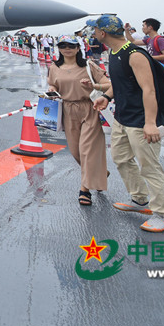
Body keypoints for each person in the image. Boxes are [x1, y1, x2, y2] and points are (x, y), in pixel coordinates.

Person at [87, 15, 164, 232]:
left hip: (141, 120)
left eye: (95, 30)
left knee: (149, 166)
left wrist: (151, 123)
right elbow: (119, 83)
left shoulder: (134, 55)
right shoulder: (114, 53)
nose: (93, 33)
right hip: (122, 118)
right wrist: (106, 97)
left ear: (103, 33)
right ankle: (140, 200)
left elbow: (149, 89)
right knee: (121, 158)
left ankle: (162, 214)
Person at [47, 36, 109, 205]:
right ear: (58, 48)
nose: (67, 48)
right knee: (75, 151)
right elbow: (53, 85)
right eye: (63, 45)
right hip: (67, 110)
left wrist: (93, 86)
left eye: (71, 45)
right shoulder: (54, 67)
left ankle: (85, 190)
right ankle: (98, 172)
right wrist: (52, 89)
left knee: (87, 150)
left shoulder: (89, 66)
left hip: (89, 108)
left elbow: (107, 84)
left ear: (78, 48)